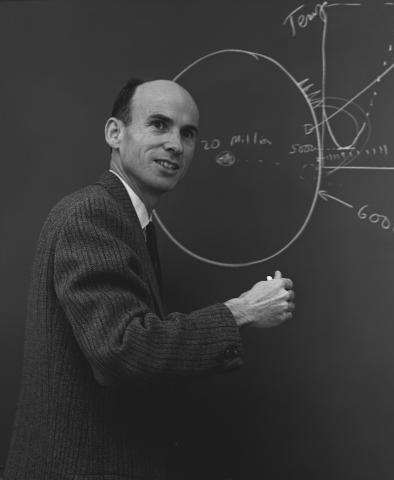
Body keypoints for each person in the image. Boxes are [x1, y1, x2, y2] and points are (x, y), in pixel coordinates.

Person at [4, 79, 295, 480]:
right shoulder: (93, 212)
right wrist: (240, 311)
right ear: (114, 133)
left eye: (187, 133)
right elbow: (121, 348)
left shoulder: (130, 221)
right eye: (159, 125)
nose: (176, 144)